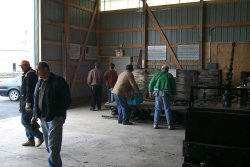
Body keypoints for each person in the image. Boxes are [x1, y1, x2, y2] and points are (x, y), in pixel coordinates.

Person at [32, 62, 71, 167]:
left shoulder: (58, 81)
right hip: (43, 118)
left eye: (38, 70)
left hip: (55, 118)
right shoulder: (39, 82)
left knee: (53, 147)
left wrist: (58, 113)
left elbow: (66, 99)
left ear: (45, 69)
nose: (36, 72)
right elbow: (36, 98)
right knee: (49, 147)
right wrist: (34, 115)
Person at [19, 60, 44, 147]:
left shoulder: (29, 75)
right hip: (25, 101)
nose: (21, 67)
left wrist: (28, 103)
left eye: (22, 66)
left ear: (26, 66)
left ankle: (39, 136)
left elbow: (29, 90)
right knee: (28, 120)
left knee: (24, 121)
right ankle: (30, 140)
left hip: (27, 102)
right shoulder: (28, 74)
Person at [148, 65, 176, 130]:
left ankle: (155, 124)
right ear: (167, 69)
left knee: (157, 109)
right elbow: (173, 86)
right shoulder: (169, 75)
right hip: (166, 93)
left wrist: (150, 91)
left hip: (157, 93)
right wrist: (173, 95)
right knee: (167, 109)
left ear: (162, 69)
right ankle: (170, 125)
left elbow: (151, 83)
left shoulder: (157, 74)